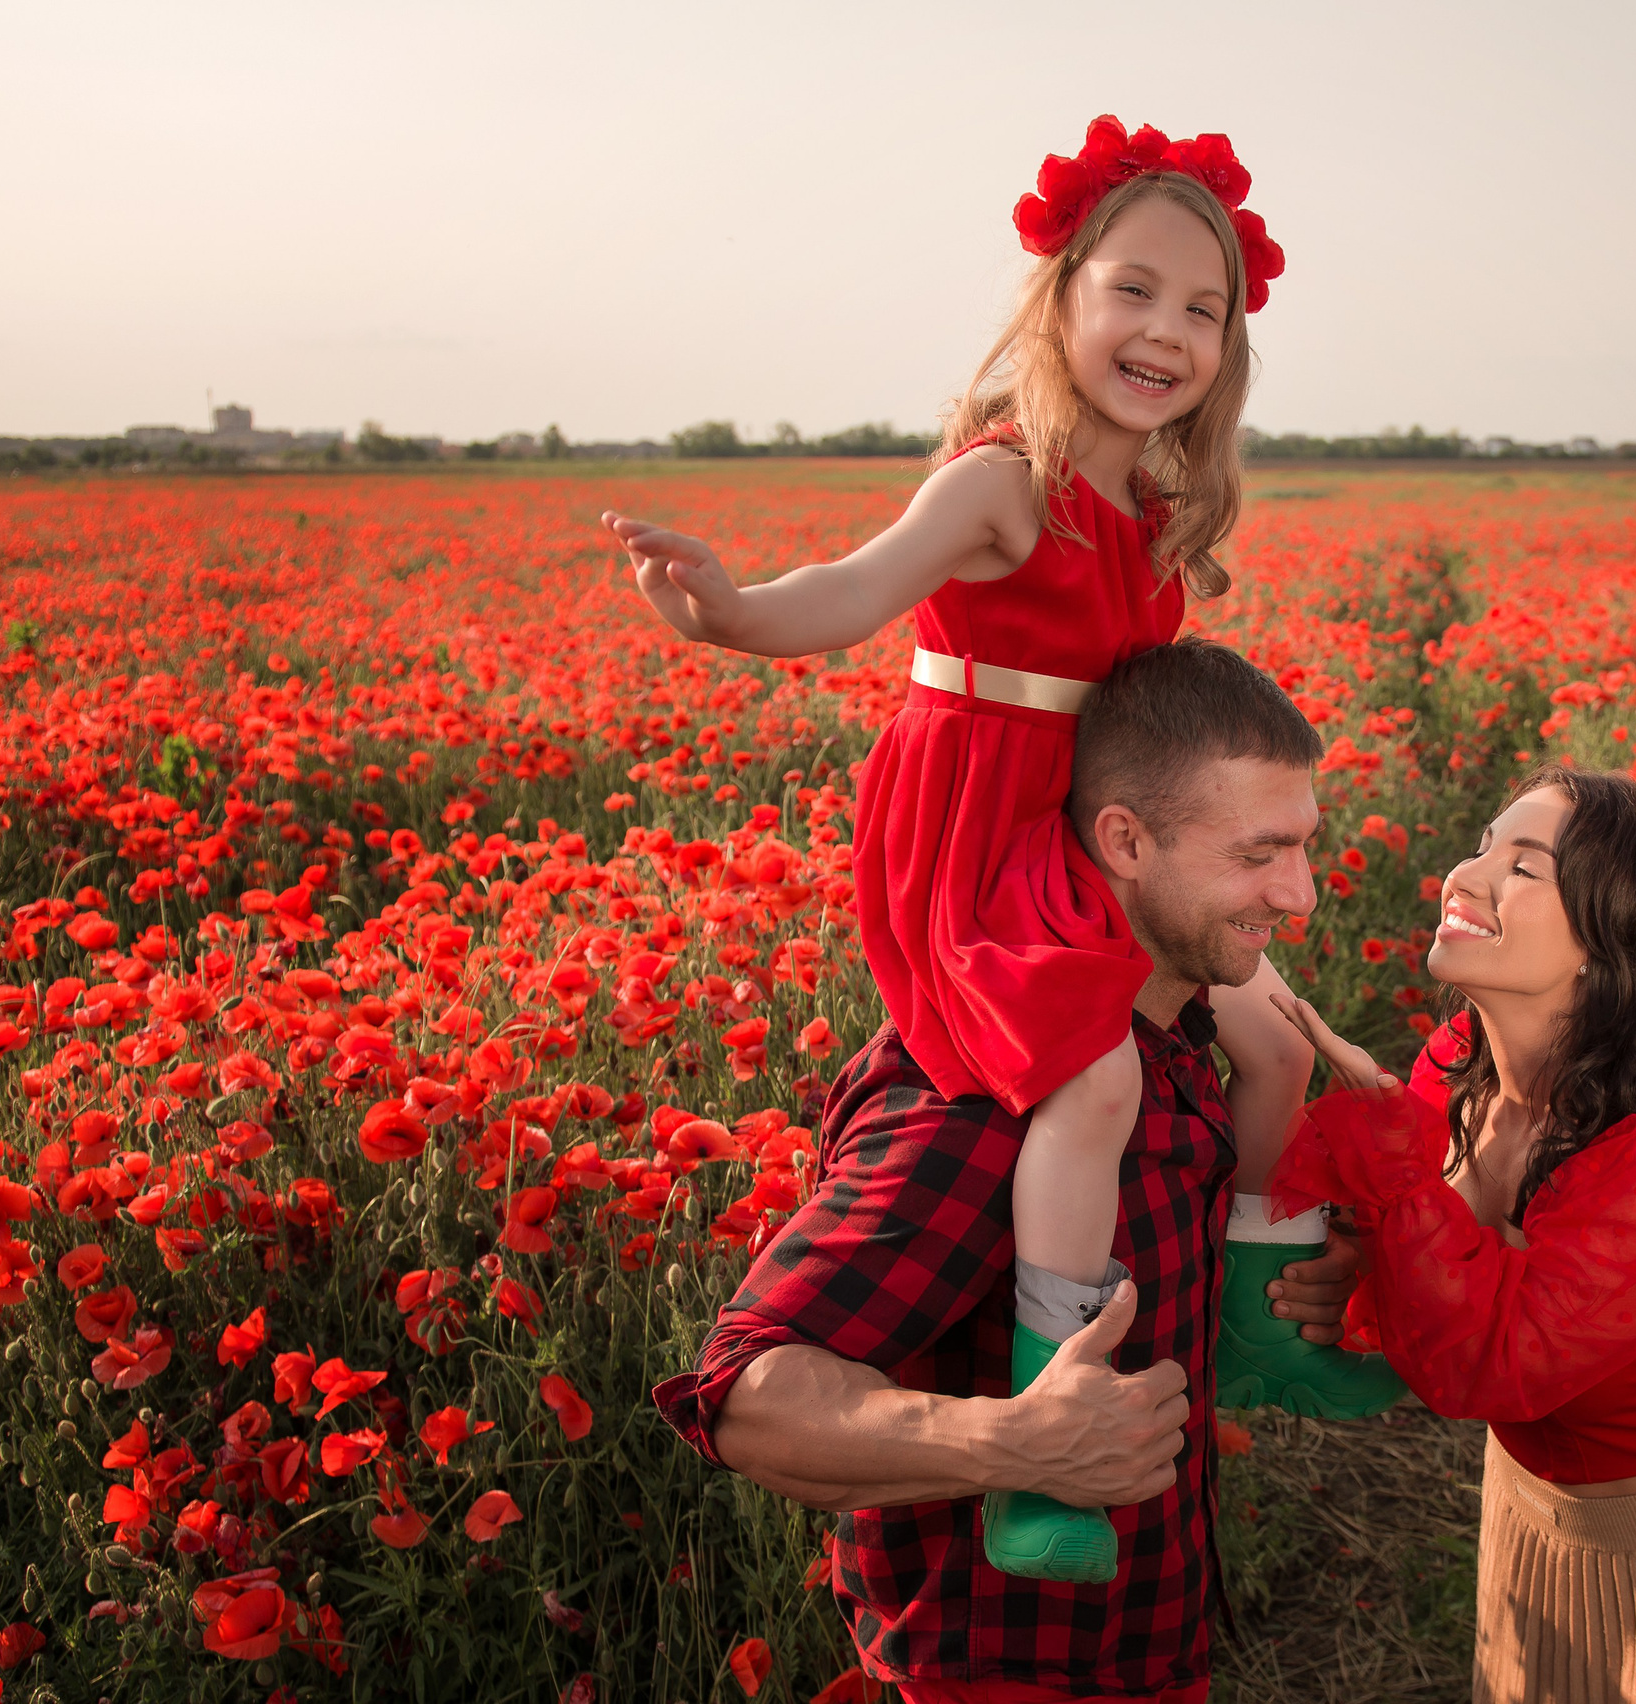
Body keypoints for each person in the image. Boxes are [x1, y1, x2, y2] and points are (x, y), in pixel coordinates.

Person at [609, 115, 1398, 1581]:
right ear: (1060, 299)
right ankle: (1051, 1417)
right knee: (1096, 1081)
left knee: (1271, 1042)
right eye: (1133, 289)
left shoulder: (1152, 514)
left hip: (1087, 835)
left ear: (1228, 349)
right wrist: (729, 612)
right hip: (977, 842)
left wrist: (1278, 986)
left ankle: (1251, 1324)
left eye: (1202, 309)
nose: (1164, 331)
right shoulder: (1003, 480)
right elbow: (849, 591)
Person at [654, 639, 1375, 1703]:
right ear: (1123, 842)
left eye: (1304, 845)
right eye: (1258, 854)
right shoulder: (983, 1105)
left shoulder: (1172, 1031)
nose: (1300, 894)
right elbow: (748, 1395)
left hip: (1140, 1633)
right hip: (1009, 1666)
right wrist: (1012, 1444)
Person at [1270, 765, 1636, 1704]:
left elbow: (1495, 1361)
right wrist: (1362, 1262)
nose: (1466, 875)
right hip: (1530, 1524)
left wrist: (1384, 1153)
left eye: (1524, 866)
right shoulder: (1458, 1065)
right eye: (1482, 846)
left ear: (1606, 941)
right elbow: (1433, 1266)